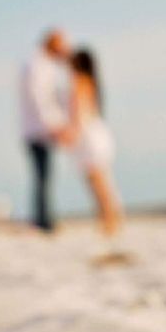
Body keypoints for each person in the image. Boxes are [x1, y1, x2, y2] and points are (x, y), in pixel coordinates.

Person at [66, 48, 123, 237]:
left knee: (98, 184)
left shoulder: (78, 82)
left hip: (88, 138)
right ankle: (110, 221)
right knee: (103, 182)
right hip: (98, 133)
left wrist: (71, 133)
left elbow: (78, 113)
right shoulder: (92, 82)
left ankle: (109, 223)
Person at [19, 29, 71, 231]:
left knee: (43, 176)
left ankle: (43, 218)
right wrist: (54, 126)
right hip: (38, 131)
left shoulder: (42, 65)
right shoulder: (37, 66)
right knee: (42, 177)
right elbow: (39, 100)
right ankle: (43, 221)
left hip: (38, 129)